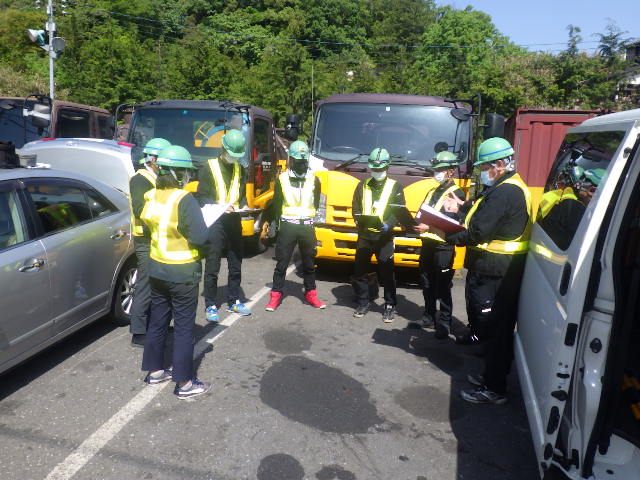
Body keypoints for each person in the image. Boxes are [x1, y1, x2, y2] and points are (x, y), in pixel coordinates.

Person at [439, 137, 532, 405]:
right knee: (492, 328)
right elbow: (486, 214)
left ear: (500, 164)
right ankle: (490, 376)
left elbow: (479, 232)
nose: (482, 171)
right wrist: (463, 207)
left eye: (484, 167)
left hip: (496, 272)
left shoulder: (505, 192)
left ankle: (494, 388)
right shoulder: (507, 186)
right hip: (496, 270)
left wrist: (444, 234)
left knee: (496, 331)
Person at [140, 145, 211, 399]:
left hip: (157, 268)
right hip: (182, 272)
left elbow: (148, 229)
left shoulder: (152, 195)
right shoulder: (184, 199)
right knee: (183, 327)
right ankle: (185, 383)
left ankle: (155, 371)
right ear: (177, 173)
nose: (188, 176)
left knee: (158, 321)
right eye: (185, 171)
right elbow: (200, 237)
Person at [264, 140, 326, 311]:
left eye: (303, 161)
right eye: (298, 161)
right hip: (288, 226)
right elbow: (277, 204)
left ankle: (311, 293)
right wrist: (275, 224)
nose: (301, 164)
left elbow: (315, 202)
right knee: (282, 263)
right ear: (291, 160)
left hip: (307, 226)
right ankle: (275, 294)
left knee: (309, 263)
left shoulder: (314, 180)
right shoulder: (282, 179)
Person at [197, 129, 251, 322]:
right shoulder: (208, 167)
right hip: (216, 221)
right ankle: (210, 304)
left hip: (234, 220)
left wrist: (244, 206)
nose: (233, 157)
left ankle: (234, 300)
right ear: (223, 148)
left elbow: (241, 195)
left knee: (236, 262)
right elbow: (202, 197)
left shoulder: (240, 168)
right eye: (231, 153)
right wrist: (221, 207)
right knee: (213, 264)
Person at [412, 151, 465, 338]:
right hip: (427, 243)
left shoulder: (457, 194)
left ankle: (444, 323)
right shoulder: (433, 191)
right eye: (436, 169)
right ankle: (428, 316)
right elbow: (423, 212)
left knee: (443, 286)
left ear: (451, 171)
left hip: (443, 247)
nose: (437, 173)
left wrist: (429, 227)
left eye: (441, 169)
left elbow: (453, 224)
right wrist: (415, 223)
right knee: (426, 282)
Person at [351, 147, 405, 322]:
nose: (377, 172)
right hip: (365, 236)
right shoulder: (362, 185)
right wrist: (358, 220)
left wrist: (389, 224)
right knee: (360, 271)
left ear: (387, 167)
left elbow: (399, 211)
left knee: (387, 273)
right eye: (374, 169)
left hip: (384, 238)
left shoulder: (395, 186)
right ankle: (363, 302)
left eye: (380, 169)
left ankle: (390, 305)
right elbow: (356, 207)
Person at [128, 137, 171, 348]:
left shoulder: (157, 178)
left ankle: (157, 324)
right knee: (145, 283)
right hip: (145, 239)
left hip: (157, 237)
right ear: (153, 159)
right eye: (163, 161)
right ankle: (138, 332)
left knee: (159, 283)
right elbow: (139, 209)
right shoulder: (140, 180)